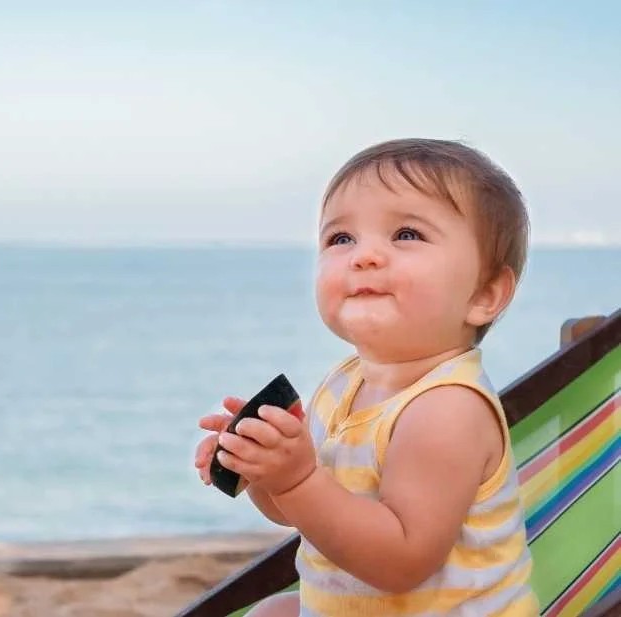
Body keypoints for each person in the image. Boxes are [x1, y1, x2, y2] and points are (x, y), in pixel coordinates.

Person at [194, 138, 538, 616]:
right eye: (341, 239)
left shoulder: (447, 411)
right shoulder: (342, 384)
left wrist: (296, 478)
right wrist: (263, 472)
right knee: (270, 613)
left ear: (485, 294)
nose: (365, 255)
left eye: (407, 234)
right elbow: (310, 515)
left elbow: (399, 564)